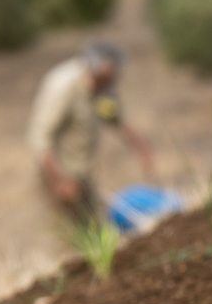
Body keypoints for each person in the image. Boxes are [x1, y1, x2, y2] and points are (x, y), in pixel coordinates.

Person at [26, 40, 154, 222]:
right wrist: (59, 182)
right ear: (96, 68)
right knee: (72, 239)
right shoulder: (63, 86)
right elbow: (39, 140)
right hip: (58, 173)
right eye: (109, 74)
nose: (113, 80)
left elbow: (116, 119)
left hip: (83, 174)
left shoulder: (101, 88)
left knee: (97, 229)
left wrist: (142, 150)